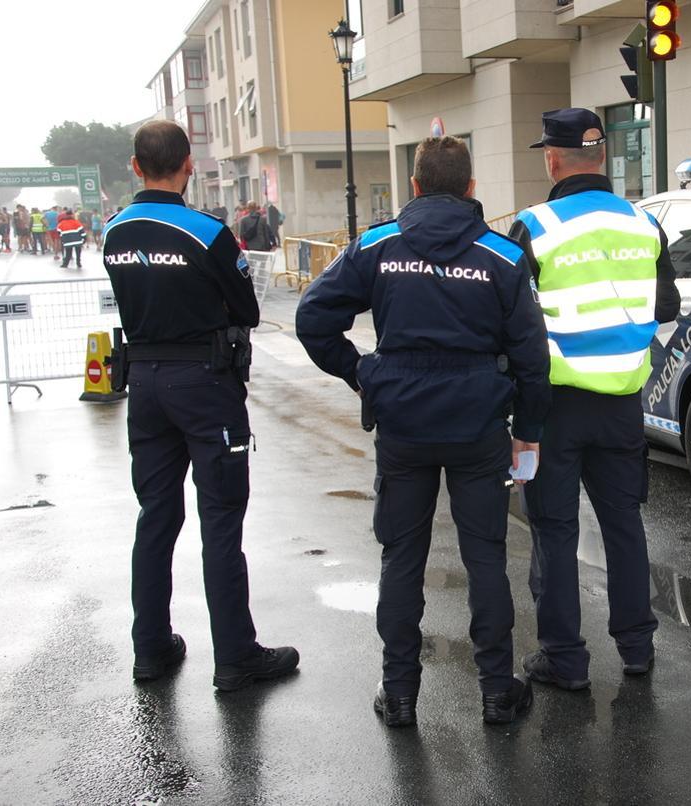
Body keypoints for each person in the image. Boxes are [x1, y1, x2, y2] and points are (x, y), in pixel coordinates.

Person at [296, 135, 551, 727]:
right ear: (470, 189)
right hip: (478, 426)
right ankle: (495, 690)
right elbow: (532, 358)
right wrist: (529, 431)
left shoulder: (378, 246)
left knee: (401, 558)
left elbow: (313, 317)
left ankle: (401, 694)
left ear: (414, 186)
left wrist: (362, 373)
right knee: (485, 555)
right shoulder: (502, 257)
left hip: (403, 426)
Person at [103, 120, 298, 692]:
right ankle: (236, 655)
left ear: (136, 167)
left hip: (144, 383)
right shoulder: (206, 233)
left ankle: (151, 647)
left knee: (155, 517)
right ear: (189, 165)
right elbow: (247, 308)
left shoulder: (114, 231)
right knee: (220, 520)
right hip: (204, 383)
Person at [508, 108, 681, 691]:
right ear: (602, 156)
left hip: (555, 406)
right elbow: (667, 307)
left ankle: (565, 659)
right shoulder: (643, 223)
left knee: (554, 529)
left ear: (553, 160)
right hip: (624, 403)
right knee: (623, 524)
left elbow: (515, 325)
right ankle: (637, 647)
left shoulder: (535, 226)